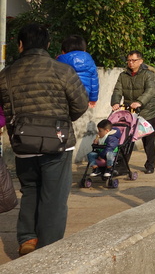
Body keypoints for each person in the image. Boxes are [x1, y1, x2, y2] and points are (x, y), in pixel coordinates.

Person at [0, 23, 89, 255]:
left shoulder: (6, 75)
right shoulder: (63, 70)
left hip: (23, 144)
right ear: (48, 44)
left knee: (30, 189)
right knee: (54, 195)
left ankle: (27, 239)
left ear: (20, 45)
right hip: (57, 143)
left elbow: (5, 110)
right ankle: (47, 247)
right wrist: (60, 118)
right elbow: (80, 105)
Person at [111, 50, 155, 174]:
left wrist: (139, 102)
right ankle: (122, 167)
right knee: (125, 140)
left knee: (148, 142)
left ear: (140, 61)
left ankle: (150, 164)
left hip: (147, 112)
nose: (131, 63)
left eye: (134, 60)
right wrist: (115, 102)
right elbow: (117, 90)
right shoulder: (123, 75)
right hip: (130, 113)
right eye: (129, 60)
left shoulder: (148, 75)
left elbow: (150, 91)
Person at [57, 34, 99, 108]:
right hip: (83, 97)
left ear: (63, 52)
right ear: (84, 50)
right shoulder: (90, 61)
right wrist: (93, 99)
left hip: (64, 98)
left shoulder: (59, 61)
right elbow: (94, 81)